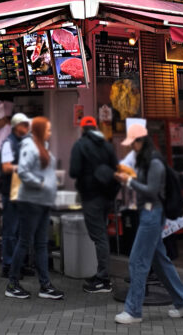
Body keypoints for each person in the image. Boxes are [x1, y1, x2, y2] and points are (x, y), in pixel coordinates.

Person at [115, 123, 183, 325]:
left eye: (132, 143)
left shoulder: (153, 162)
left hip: (151, 214)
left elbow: (151, 190)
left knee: (137, 261)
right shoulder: (150, 159)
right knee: (160, 262)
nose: (130, 147)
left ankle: (133, 311)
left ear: (139, 141)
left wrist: (128, 181)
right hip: (150, 213)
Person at [5, 117, 64, 300]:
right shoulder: (30, 146)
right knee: (25, 241)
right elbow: (23, 171)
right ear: (39, 130)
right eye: (47, 129)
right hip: (30, 201)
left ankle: (45, 285)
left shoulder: (42, 144)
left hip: (43, 201)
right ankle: (12, 284)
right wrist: (40, 184)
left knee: (41, 244)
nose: (50, 133)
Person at [69, 115, 118, 293]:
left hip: (91, 196)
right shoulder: (107, 145)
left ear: (82, 129)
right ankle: (101, 274)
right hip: (107, 196)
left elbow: (74, 171)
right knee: (102, 233)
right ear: (96, 128)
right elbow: (116, 168)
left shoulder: (80, 145)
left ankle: (103, 279)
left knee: (99, 236)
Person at [0, 112, 31, 280]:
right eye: (24, 125)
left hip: (21, 190)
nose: (26, 128)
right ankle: (8, 265)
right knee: (11, 230)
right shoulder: (8, 143)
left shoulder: (22, 142)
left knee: (20, 230)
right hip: (10, 190)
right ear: (16, 126)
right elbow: (5, 167)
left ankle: (19, 264)